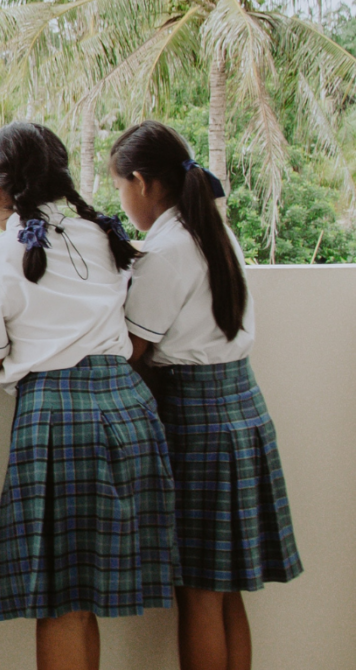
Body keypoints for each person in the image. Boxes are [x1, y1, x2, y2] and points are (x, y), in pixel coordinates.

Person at [0, 121, 174, 670]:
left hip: (58, 423)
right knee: (83, 599)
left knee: (61, 601)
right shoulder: (109, 239)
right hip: (129, 410)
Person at [109, 121, 301, 670]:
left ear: (143, 183)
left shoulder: (168, 250)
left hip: (199, 421)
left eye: (121, 188)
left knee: (197, 588)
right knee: (225, 586)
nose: (122, 201)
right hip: (240, 406)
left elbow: (132, 350)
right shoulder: (212, 231)